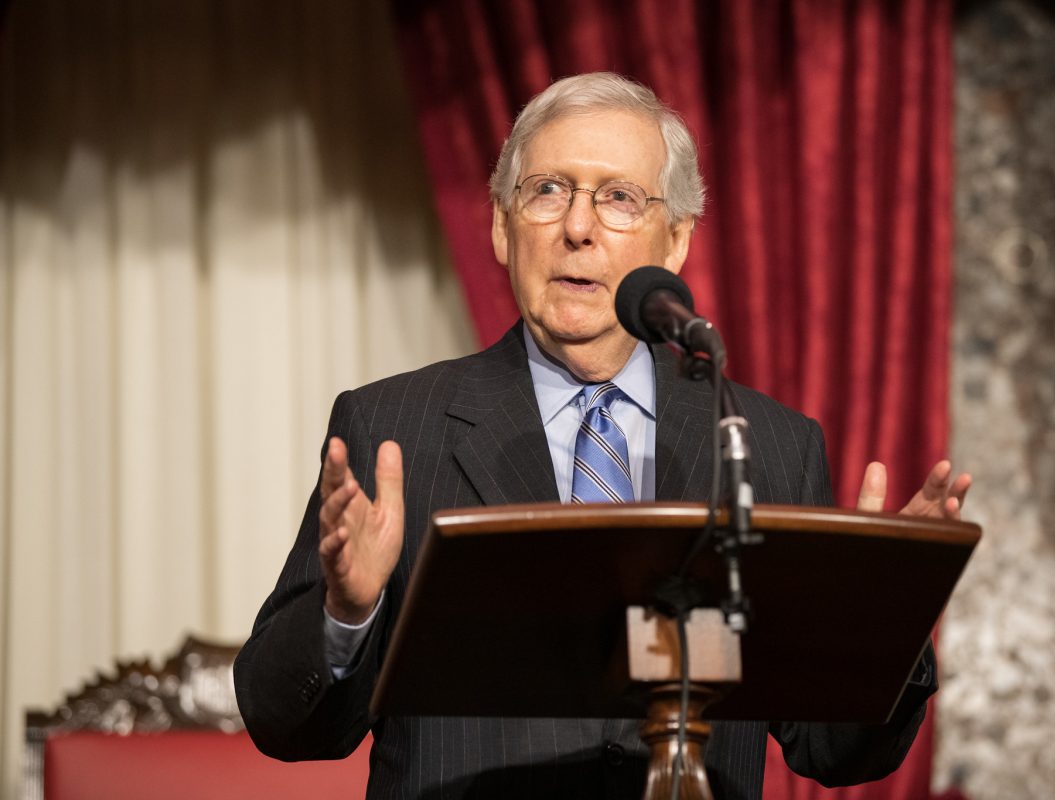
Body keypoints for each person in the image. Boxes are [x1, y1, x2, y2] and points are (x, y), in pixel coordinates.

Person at [234, 72, 971, 799]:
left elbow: (832, 749)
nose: (578, 229)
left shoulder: (766, 443)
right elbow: (283, 724)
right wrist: (346, 613)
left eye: (619, 198)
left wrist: (885, 614)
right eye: (548, 190)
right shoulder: (393, 428)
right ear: (500, 224)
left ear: (676, 240)